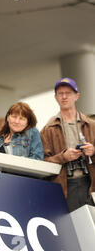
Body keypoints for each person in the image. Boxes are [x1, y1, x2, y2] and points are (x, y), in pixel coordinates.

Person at [41, 77, 95, 212]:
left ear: (77, 96)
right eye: (60, 93)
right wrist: (63, 157)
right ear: (56, 97)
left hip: (91, 184)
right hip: (66, 187)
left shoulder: (92, 125)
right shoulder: (48, 129)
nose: (64, 97)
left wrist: (93, 151)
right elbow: (42, 161)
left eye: (68, 93)